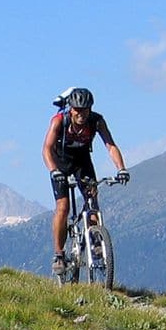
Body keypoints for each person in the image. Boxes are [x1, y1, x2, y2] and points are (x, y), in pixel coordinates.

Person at [42, 87, 130, 276]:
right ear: (71, 109)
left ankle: (96, 243)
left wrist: (121, 168)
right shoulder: (59, 121)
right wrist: (54, 170)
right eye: (78, 110)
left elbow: (110, 145)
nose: (82, 114)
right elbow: (47, 149)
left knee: (93, 205)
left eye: (86, 110)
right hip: (60, 163)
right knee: (63, 207)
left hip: (82, 162)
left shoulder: (97, 121)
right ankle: (58, 255)